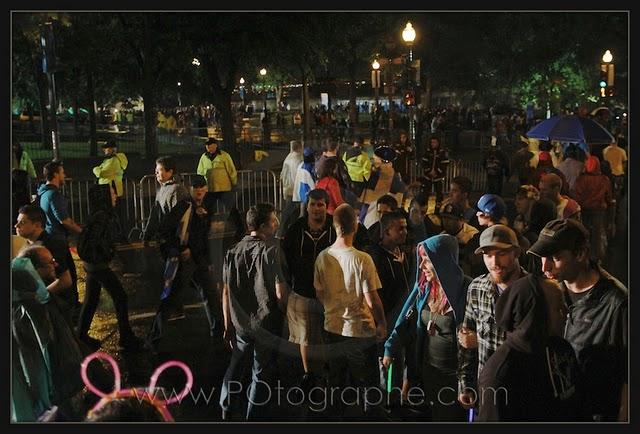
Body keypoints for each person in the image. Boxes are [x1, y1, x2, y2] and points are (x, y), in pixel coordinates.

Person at [527, 219, 628, 421]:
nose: (545, 267)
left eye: (554, 258)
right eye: (542, 258)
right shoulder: (550, 291)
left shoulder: (617, 304)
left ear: (581, 254)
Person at [384, 234, 471, 421]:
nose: (422, 266)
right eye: (421, 260)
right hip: (428, 371)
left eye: (426, 260)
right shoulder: (423, 287)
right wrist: (390, 348)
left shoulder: (466, 289)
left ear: (443, 261)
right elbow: (403, 319)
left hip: (454, 376)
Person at [314, 203, 387, 420]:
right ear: (355, 225)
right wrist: (381, 323)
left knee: (336, 382)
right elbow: (372, 298)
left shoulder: (322, 257)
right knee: (368, 385)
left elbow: (319, 292)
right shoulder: (362, 259)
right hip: (360, 330)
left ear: (334, 226)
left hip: (332, 328)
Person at [476, 274, 582, 421]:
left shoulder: (561, 350)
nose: (566, 312)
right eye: (558, 308)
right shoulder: (499, 377)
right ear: (534, 316)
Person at [219, 204, 287, 421]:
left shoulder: (232, 251)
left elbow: (226, 293)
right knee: (261, 374)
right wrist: (286, 317)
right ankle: (254, 418)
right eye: (274, 220)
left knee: (236, 364)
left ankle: (226, 406)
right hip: (266, 323)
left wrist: (227, 325)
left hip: (240, 323)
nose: (276, 223)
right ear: (265, 225)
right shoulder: (271, 250)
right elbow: (279, 292)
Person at [457, 225, 528, 411]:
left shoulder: (532, 291)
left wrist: (478, 340)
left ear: (516, 253)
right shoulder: (477, 287)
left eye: (501, 253)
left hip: (522, 391)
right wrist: (466, 384)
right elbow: (466, 343)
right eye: (488, 255)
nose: (494, 262)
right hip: (486, 390)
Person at [147, 175, 221, 351]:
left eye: (202, 190)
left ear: (206, 190)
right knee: (171, 297)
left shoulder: (206, 208)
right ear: (190, 190)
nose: (199, 193)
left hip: (199, 258)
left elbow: (204, 237)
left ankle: (218, 333)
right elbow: (164, 229)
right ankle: (153, 338)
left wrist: (208, 260)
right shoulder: (184, 206)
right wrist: (180, 250)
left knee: (211, 294)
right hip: (183, 260)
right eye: (196, 190)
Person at [76, 183, 143, 351]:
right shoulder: (102, 217)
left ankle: (81, 337)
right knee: (120, 297)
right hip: (98, 264)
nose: (115, 197)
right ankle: (126, 338)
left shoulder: (99, 215)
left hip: (92, 264)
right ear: (104, 198)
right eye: (112, 194)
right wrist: (107, 251)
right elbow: (97, 241)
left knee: (91, 299)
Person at [281, 189, 334, 392]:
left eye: (320, 204)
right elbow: (285, 257)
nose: (316, 208)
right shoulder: (296, 228)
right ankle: (308, 373)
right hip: (302, 290)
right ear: (307, 205)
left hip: (329, 292)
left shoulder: (334, 227)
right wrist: (286, 283)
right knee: (305, 336)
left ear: (326, 206)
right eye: (312, 204)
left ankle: (326, 371)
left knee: (326, 333)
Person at [36, 160, 82, 321]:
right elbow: (65, 220)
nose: (65, 175)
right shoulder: (54, 195)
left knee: (65, 274)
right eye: (62, 172)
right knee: (67, 276)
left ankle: (70, 306)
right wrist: (82, 233)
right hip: (57, 240)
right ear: (55, 174)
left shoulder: (43, 193)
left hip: (52, 239)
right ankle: (70, 310)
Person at [15, 204, 77, 324]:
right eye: (17, 221)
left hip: (58, 304)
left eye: (22, 222)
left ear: (37, 225)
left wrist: (37, 298)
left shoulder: (51, 245)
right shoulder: (29, 243)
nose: (16, 226)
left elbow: (65, 280)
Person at [573, 156, 612, 262]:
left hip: (584, 210)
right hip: (598, 210)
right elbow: (608, 197)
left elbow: (577, 196)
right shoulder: (604, 179)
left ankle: (584, 257)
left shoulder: (581, 179)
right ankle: (596, 258)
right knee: (597, 234)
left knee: (584, 234)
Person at [143, 156, 190, 244]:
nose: (156, 172)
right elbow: (155, 215)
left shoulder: (177, 190)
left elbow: (179, 217)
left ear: (170, 172)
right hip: (164, 238)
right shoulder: (161, 189)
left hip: (173, 240)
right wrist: (147, 236)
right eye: (156, 169)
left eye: (160, 169)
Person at [359, 145, 406, 229]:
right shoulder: (376, 175)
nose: (372, 161)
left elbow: (396, 205)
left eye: (375, 159)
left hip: (376, 221)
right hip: (367, 217)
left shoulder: (393, 179)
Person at [196, 137, 238, 217]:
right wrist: (202, 186)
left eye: (210, 145)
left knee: (232, 210)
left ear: (215, 145)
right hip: (210, 189)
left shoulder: (224, 155)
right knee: (207, 211)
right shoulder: (204, 157)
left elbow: (231, 170)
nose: (208, 147)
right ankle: (205, 228)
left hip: (224, 189)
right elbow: (200, 172)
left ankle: (240, 228)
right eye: (207, 145)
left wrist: (234, 183)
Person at [278, 140, 303, 237]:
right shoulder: (298, 159)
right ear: (299, 148)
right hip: (294, 188)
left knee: (291, 211)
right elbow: (299, 175)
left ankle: (289, 231)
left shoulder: (288, 158)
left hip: (288, 187)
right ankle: (281, 231)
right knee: (289, 211)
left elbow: (283, 174)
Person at [420, 135, 450, 201]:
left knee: (439, 194)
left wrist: (437, 171)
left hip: (438, 177)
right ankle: (424, 207)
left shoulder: (442, 153)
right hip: (428, 176)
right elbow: (424, 163)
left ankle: (438, 208)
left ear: (438, 143)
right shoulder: (427, 152)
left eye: (434, 142)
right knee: (425, 193)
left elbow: (444, 164)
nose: (433, 144)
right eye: (432, 142)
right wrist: (429, 171)